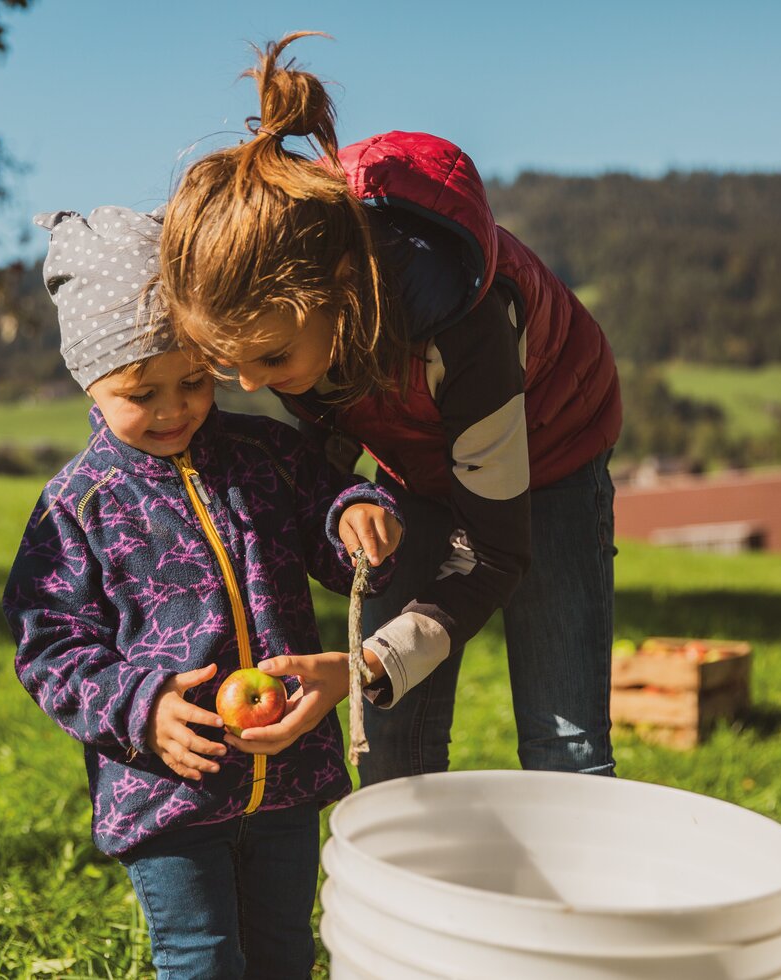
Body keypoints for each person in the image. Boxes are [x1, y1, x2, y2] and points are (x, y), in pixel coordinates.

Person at [158, 32, 622, 785]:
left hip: (551, 452)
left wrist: (364, 661)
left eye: (270, 360)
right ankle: (405, 894)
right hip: (417, 460)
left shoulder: (465, 333)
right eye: (226, 363)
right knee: (387, 733)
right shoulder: (289, 327)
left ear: (343, 296)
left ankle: (577, 900)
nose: (250, 383)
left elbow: (494, 552)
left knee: (563, 743)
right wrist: (341, 514)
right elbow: (319, 474)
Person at [2, 205, 402, 979]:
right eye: (140, 393)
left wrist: (357, 513)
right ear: (91, 378)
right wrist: (140, 707)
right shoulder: (77, 505)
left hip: (284, 772)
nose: (173, 409)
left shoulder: (266, 455)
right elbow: (48, 643)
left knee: (285, 950)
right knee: (203, 959)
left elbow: (328, 518)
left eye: (192, 381)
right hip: (165, 789)